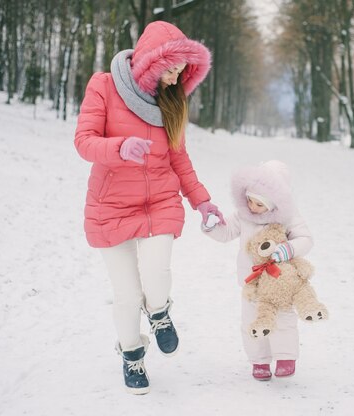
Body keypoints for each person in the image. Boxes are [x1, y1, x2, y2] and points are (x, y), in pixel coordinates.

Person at [74, 21, 224, 395]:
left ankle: (159, 313)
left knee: (157, 273)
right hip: (110, 206)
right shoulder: (103, 86)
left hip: (159, 201)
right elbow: (84, 141)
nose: (175, 80)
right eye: (171, 69)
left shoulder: (171, 101)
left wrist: (202, 200)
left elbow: (180, 159)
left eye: (181, 73)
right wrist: (119, 148)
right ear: (151, 62)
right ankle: (132, 356)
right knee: (126, 294)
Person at [203, 160, 314, 381]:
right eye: (250, 201)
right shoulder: (243, 215)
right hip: (251, 282)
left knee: (283, 320)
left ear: (276, 203)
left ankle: (285, 357)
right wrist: (212, 225)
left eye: (259, 204)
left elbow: (306, 239)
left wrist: (288, 249)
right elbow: (226, 233)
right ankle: (259, 361)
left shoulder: (289, 217)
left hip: (280, 282)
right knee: (251, 322)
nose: (253, 207)